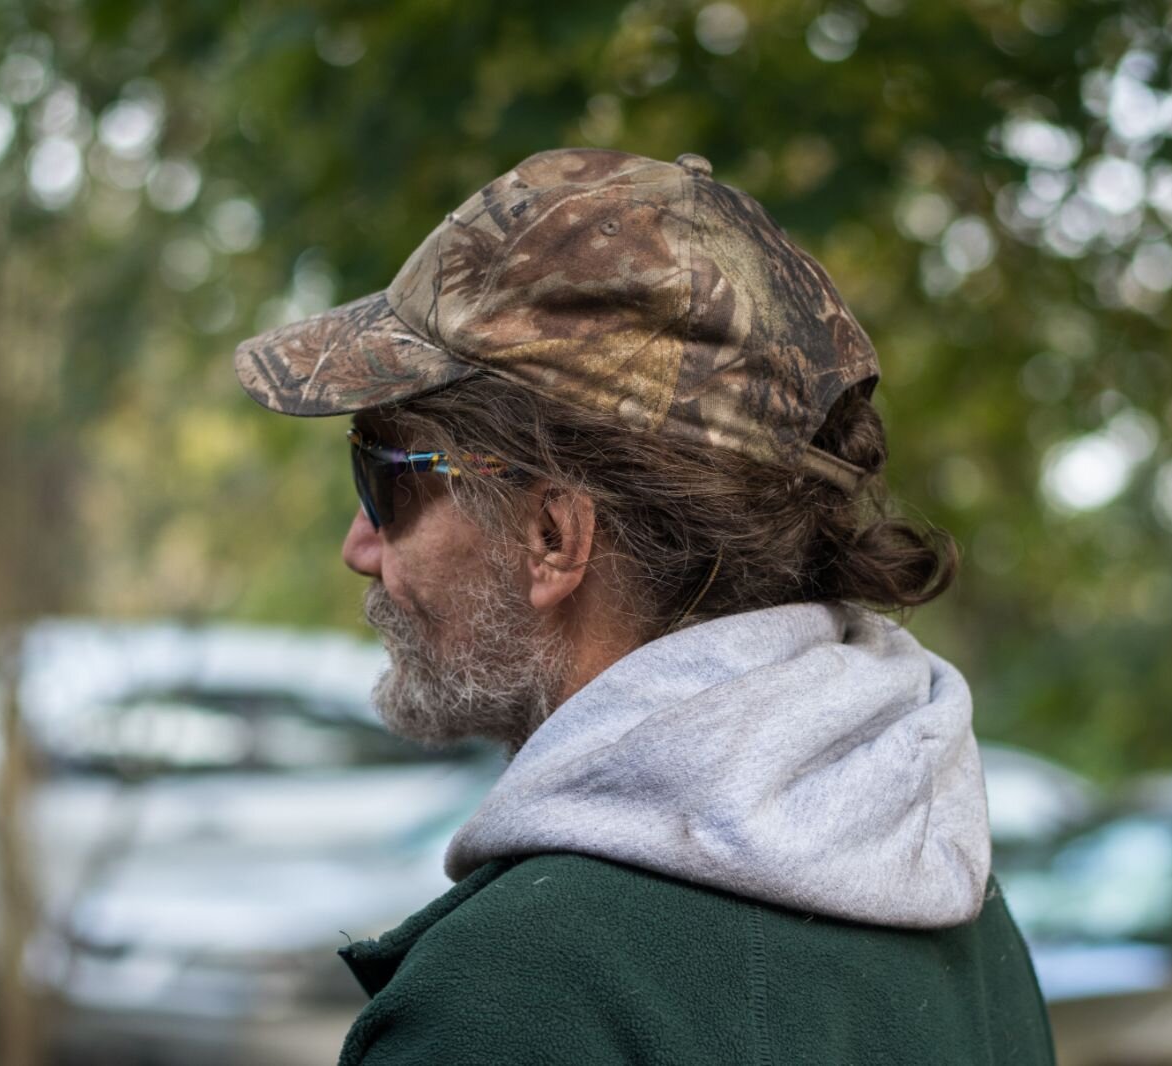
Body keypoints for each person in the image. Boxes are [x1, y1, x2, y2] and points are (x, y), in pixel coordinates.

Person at [232, 148, 1055, 1065]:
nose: (359, 546)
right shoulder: (965, 917)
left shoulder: (508, 1002)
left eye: (385, 477)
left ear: (553, 537)